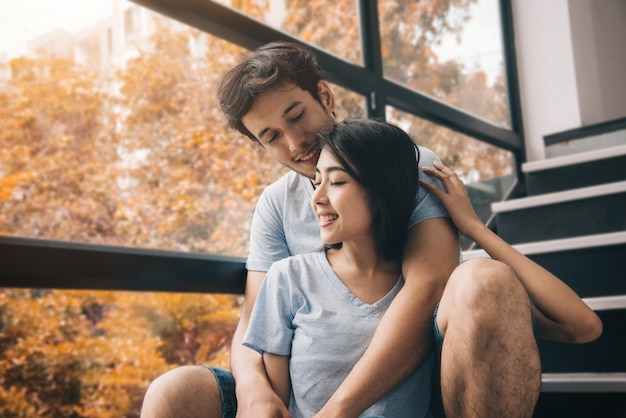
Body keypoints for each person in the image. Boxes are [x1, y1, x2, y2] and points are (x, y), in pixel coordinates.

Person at [140, 41, 602, 418]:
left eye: (295, 115)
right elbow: (254, 323)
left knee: (486, 280)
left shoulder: (406, 166)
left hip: (416, 374)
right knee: (174, 392)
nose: (294, 143)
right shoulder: (276, 206)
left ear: (325, 95)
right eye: (271, 136)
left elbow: (427, 290)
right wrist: (254, 391)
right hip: (307, 382)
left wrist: (338, 411)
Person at [243, 119, 433, 417]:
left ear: (381, 189)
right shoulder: (288, 279)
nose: (317, 198)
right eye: (317, 182)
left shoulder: (422, 295)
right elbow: (277, 404)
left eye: (337, 182)